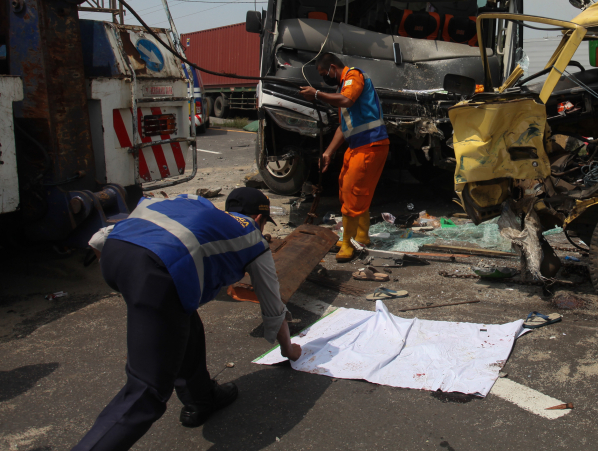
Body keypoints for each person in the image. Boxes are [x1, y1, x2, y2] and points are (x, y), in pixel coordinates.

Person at [72, 188, 302, 451]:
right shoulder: (252, 237)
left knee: (181, 314)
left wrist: (128, 279)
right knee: (146, 390)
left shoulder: (196, 208)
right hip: (156, 271)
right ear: (259, 220)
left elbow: (98, 239)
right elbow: (273, 306)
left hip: (117, 254)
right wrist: (289, 349)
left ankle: (201, 398)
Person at [300, 53, 389, 263]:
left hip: (371, 145)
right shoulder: (342, 88)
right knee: (348, 189)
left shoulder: (353, 77)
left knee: (353, 192)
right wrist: (328, 152)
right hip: (358, 146)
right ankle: (361, 236)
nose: (325, 78)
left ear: (332, 67)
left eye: (324, 74)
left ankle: (348, 243)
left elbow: (347, 100)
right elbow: (344, 126)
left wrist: (317, 94)